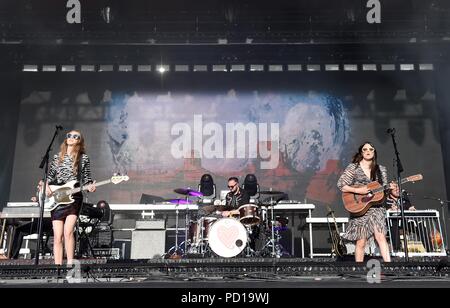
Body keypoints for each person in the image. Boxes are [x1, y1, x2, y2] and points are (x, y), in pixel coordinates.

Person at [337, 141, 398, 262]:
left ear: (374, 152)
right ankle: (359, 268)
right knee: (361, 240)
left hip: (377, 207)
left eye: (371, 149)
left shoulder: (381, 170)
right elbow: (341, 185)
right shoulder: (353, 167)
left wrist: (389, 189)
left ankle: (390, 266)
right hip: (360, 206)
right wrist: (359, 191)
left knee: (380, 237)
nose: (368, 151)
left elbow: (383, 190)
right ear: (361, 152)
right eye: (365, 149)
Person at [43, 130, 96, 265]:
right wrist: (46, 186)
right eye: (69, 135)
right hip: (57, 197)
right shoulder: (57, 157)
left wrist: (90, 186)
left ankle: (70, 265)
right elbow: (49, 178)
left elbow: (86, 178)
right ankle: (57, 268)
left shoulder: (83, 158)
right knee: (57, 236)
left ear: (79, 141)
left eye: (75, 136)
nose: (71, 138)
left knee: (68, 232)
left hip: (74, 197)